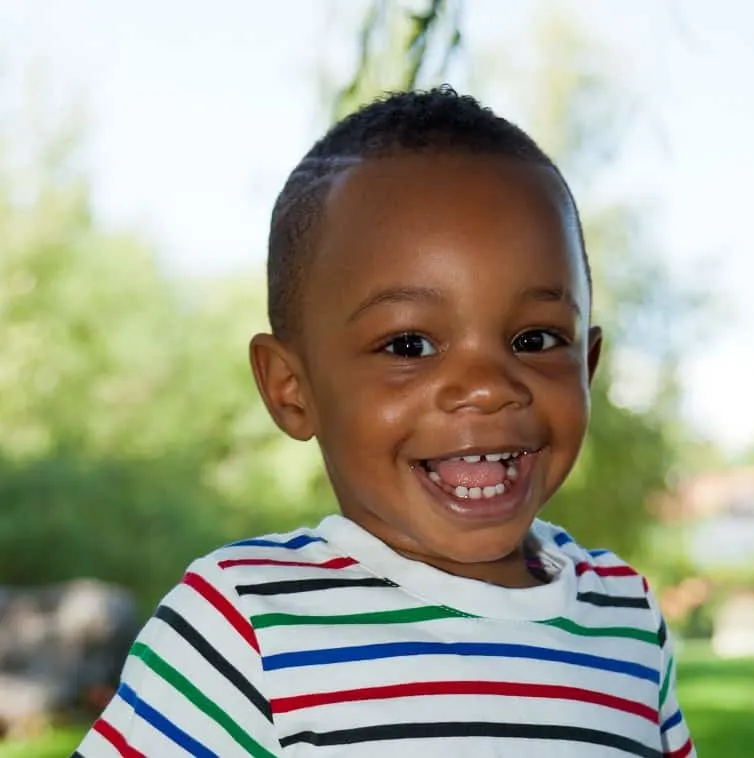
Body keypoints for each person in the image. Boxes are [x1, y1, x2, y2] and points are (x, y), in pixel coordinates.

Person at [73, 86, 696, 758]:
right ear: (292, 389)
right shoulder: (244, 625)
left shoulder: (625, 618)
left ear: (589, 364)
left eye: (536, 339)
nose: (488, 387)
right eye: (409, 346)